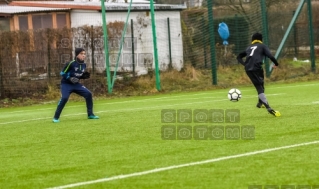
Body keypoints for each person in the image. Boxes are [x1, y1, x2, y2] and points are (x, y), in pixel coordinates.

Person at [236, 32, 281, 117]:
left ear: (252, 39)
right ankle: (269, 108)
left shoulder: (249, 47)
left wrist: (245, 64)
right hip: (256, 68)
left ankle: (260, 103)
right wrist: (276, 64)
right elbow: (270, 56)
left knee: (261, 84)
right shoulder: (262, 46)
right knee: (259, 87)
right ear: (261, 39)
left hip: (249, 69)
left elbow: (239, 56)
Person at [52, 48, 99, 123]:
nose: (83, 55)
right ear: (77, 55)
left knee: (88, 94)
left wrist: (83, 76)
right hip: (66, 84)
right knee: (64, 98)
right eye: (81, 54)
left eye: (84, 54)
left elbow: (77, 75)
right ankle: (56, 117)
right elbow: (62, 73)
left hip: (76, 85)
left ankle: (90, 114)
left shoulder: (84, 65)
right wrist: (69, 78)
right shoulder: (71, 63)